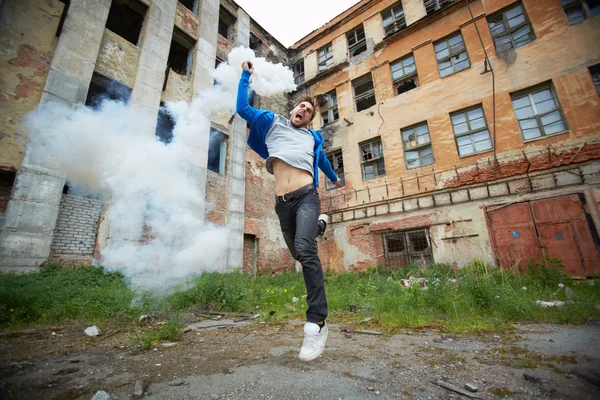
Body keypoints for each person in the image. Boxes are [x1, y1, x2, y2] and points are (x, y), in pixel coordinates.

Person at [236, 60, 341, 361]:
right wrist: (246, 75)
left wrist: (334, 179)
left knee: (306, 252)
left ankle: (317, 323)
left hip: (308, 196)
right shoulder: (271, 122)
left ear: (310, 119)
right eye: (300, 108)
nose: (302, 112)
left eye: (308, 111)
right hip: (283, 204)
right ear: (292, 110)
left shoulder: (312, 138)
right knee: (299, 253)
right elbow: (242, 108)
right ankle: (319, 227)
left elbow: (320, 161)